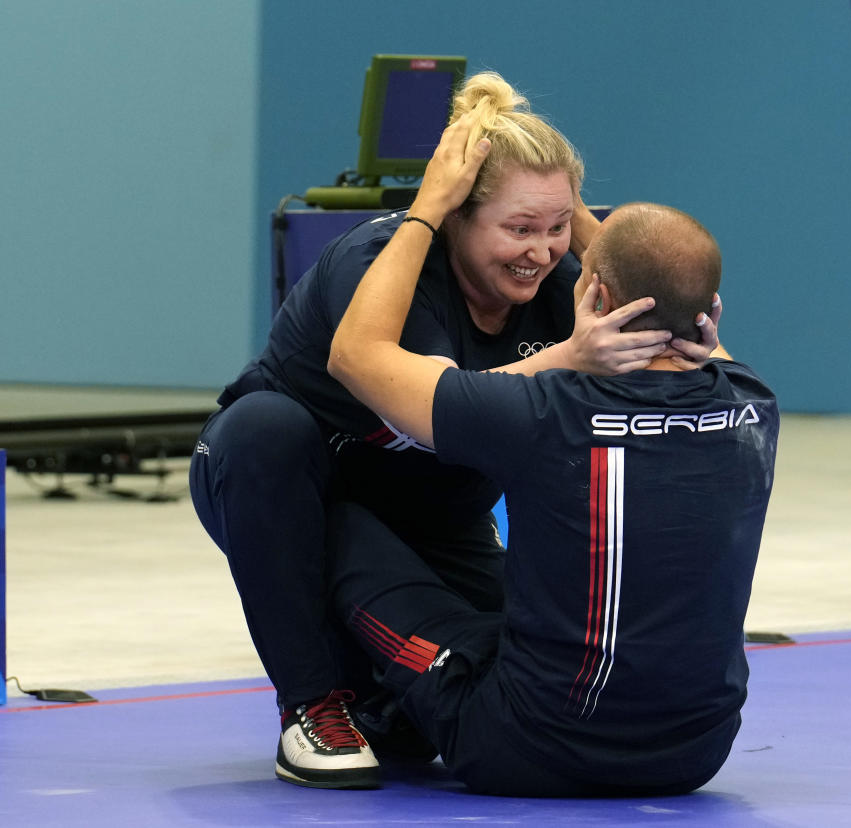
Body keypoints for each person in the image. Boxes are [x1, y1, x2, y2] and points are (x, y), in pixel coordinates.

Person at [188, 71, 720, 790]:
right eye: (518, 228)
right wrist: (430, 207)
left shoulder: (566, 284)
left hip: (434, 511)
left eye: (557, 226)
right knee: (264, 428)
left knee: (501, 674)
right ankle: (312, 708)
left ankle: (383, 706)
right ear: (458, 220)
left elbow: (660, 316)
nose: (539, 250)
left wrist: (616, 270)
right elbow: (438, 406)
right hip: (289, 491)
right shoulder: (380, 265)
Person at [324, 105, 779, 796]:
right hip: (695, 755)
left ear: (593, 287)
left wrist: (428, 211)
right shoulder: (754, 406)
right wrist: (579, 225)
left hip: (527, 751)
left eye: (561, 234)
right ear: (708, 313)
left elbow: (357, 356)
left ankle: (338, 706)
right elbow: (672, 295)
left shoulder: (545, 411)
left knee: (327, 511)